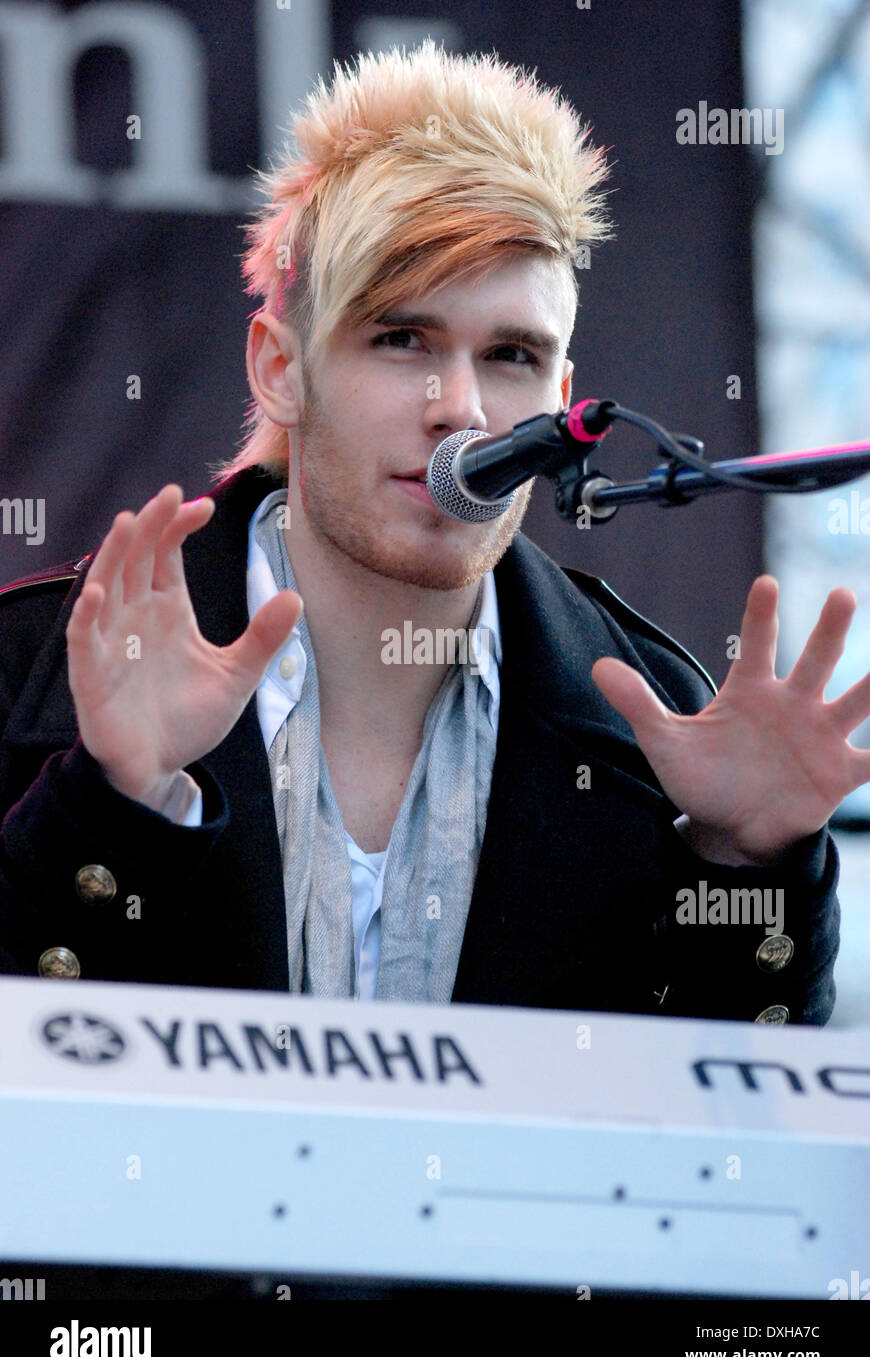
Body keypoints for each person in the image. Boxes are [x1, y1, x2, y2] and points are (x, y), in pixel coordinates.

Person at [0, 41, 863, 1022]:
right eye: (401, 337)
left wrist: (749, 865)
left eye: (510, 356)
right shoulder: (29, 671)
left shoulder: (659, 723)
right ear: (281, 368)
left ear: (562, 403)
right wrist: (113, 801)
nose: (459, 408)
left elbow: (709, 1138)